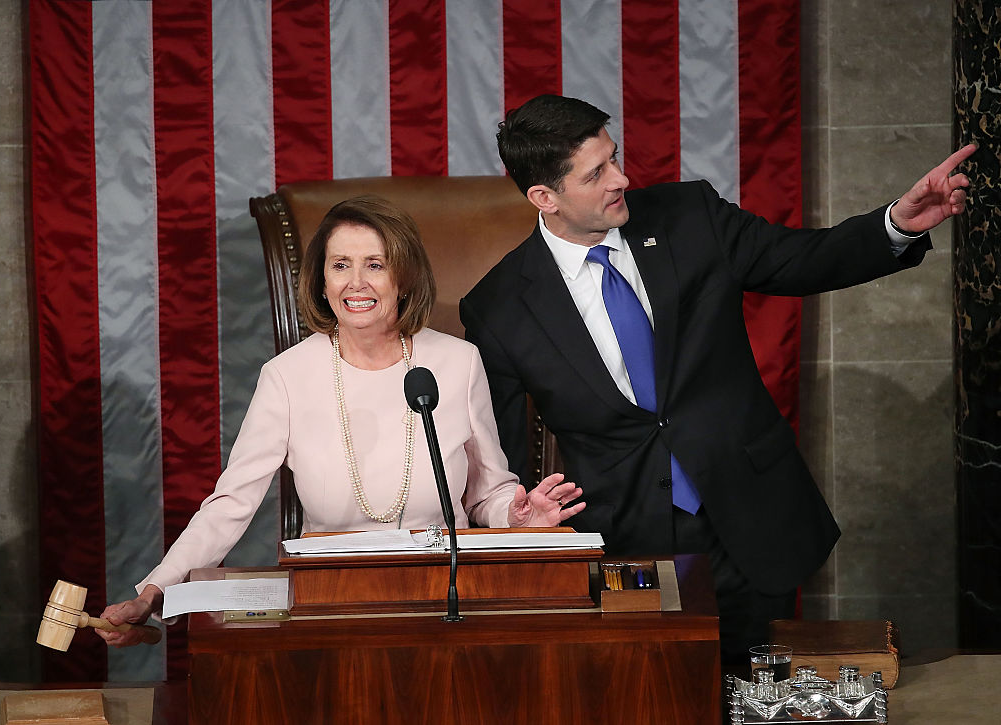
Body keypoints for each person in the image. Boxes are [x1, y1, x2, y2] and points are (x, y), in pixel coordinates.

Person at [459, 94, 973, 662]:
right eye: (597, 172)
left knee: (761, 697)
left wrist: (895, 224)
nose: (621, 178)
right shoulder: (498, 306)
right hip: (627, 543)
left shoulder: (689, 217)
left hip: (749, 511)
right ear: (544, 197)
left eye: (615, 158)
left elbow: (800, 258)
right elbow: (498, 458)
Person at [97, 195, 585, 646]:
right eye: (340, 266)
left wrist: (520, 518)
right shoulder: (287, 376)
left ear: (405, 276)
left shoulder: (458, 362)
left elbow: (486, 492)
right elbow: (231, 504)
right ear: (322, 280)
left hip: (445, 595)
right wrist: (154, 591)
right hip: (328, 600)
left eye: (375, 265)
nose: (356, 283)